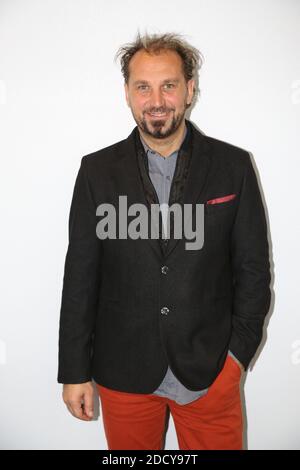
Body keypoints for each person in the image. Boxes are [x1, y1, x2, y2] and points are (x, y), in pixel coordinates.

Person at [57, 32, 271, 450]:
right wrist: (74, 370)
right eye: (143, 86)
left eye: (168, 85)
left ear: (190, 89)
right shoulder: (96, 172)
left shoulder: (234, 167)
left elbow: (254, 271)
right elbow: (80, 276)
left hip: (210, 373)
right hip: (124, 373)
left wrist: (235, 359)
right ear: (127, 94)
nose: (156, 99)